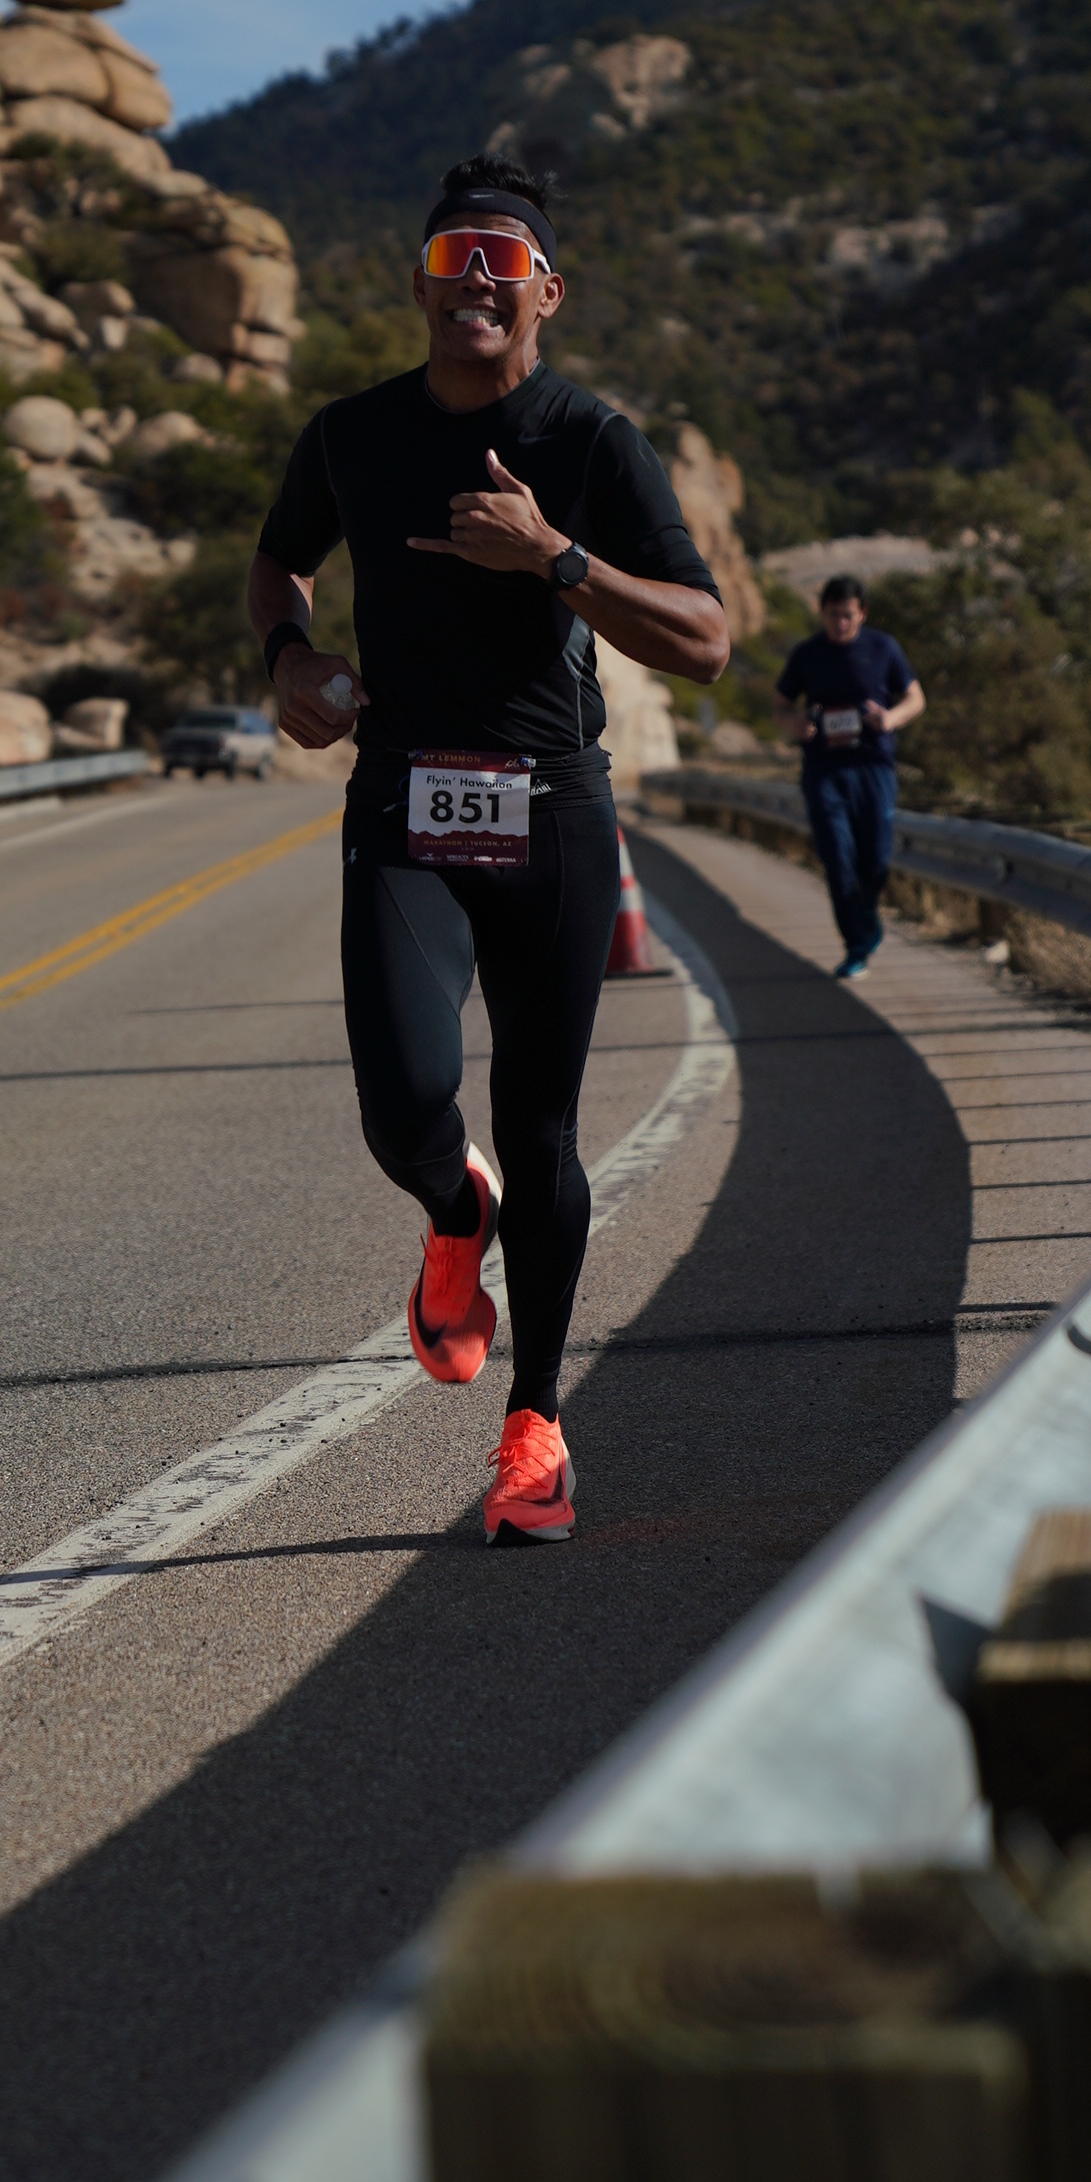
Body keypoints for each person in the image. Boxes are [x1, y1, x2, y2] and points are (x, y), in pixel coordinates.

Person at [246, 155, 731, 1545]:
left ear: (546, 294)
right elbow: (280, 560)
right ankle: (454, 1211)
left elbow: (706, 641)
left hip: (552, 814)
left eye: (502, 260)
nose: (474, 277)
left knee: (544, 1128)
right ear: (417, 284)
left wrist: (556, 559)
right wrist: (291, 658)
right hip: (403, 798)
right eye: (452, 254)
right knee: (405, 1105)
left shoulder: (592, 440)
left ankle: (536, 1429)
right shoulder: (351, 434)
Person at [774, 575, 924, 980]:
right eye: (833, 615)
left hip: (873, 766)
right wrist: (795, 723)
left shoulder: (883, 648)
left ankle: (868, 916)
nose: (840, 623)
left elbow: (916, 697)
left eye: (848, 616)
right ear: (821, 613)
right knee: (838, 860)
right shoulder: (807, 654)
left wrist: (889, 718)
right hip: (824, 770)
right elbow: (780, 706)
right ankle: (856, 946)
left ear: (862, 614)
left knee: (875, 860)